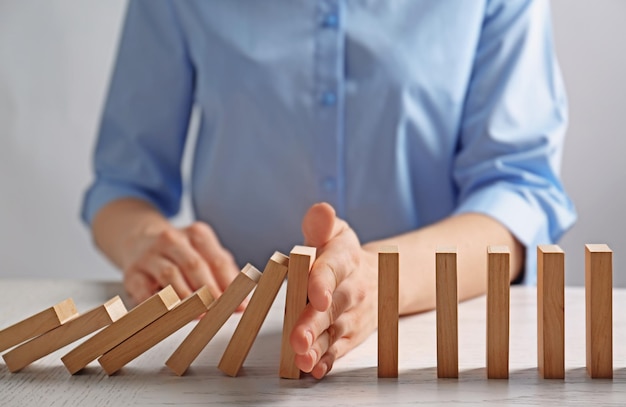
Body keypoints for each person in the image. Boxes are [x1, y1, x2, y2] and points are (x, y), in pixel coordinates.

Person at [83, 0, 576, 379]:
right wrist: (143, 241)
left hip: (440, 345)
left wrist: (379, 280)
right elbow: (123, 185)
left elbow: (518, 195)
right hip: (227, 344)